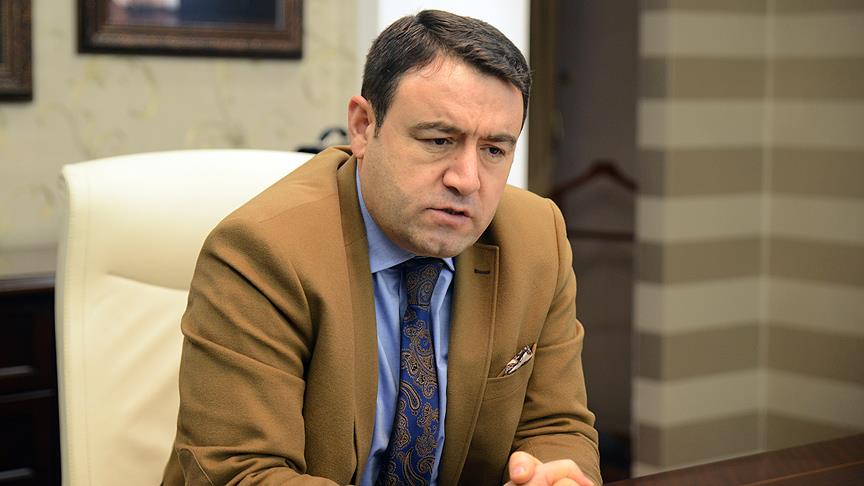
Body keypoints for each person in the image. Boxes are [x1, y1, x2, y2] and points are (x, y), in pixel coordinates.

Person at [162, 9, 600, 486]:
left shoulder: (536, 238)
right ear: (363, 126)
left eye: (494, 150)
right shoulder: (259, 253)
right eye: (439, 140)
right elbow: (243, 473)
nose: (467, 180)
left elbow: (557, 425)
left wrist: (552, 476)